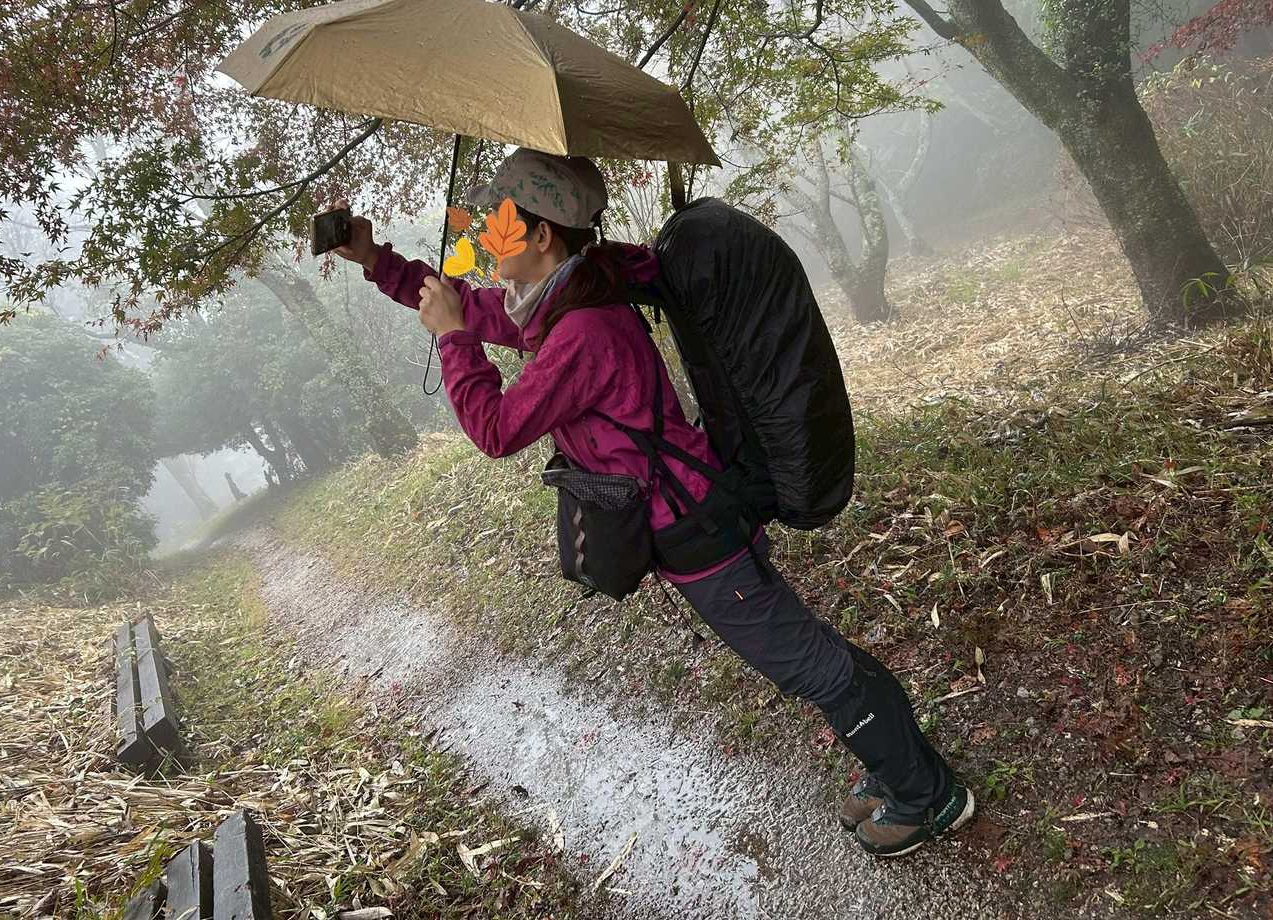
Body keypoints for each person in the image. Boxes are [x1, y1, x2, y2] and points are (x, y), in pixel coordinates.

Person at [330, 147, 974, 857]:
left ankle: (929, 796)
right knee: (807, 653)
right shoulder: (567, 296)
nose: (484, 234)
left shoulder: (581, 330)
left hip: (696, 532)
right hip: (695, 512)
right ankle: (898, 769)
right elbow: (470, 305)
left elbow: (496, 429)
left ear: (540, 235)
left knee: (809, 664)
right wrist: (376, 260)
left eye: (498, 221)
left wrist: (454, 341)